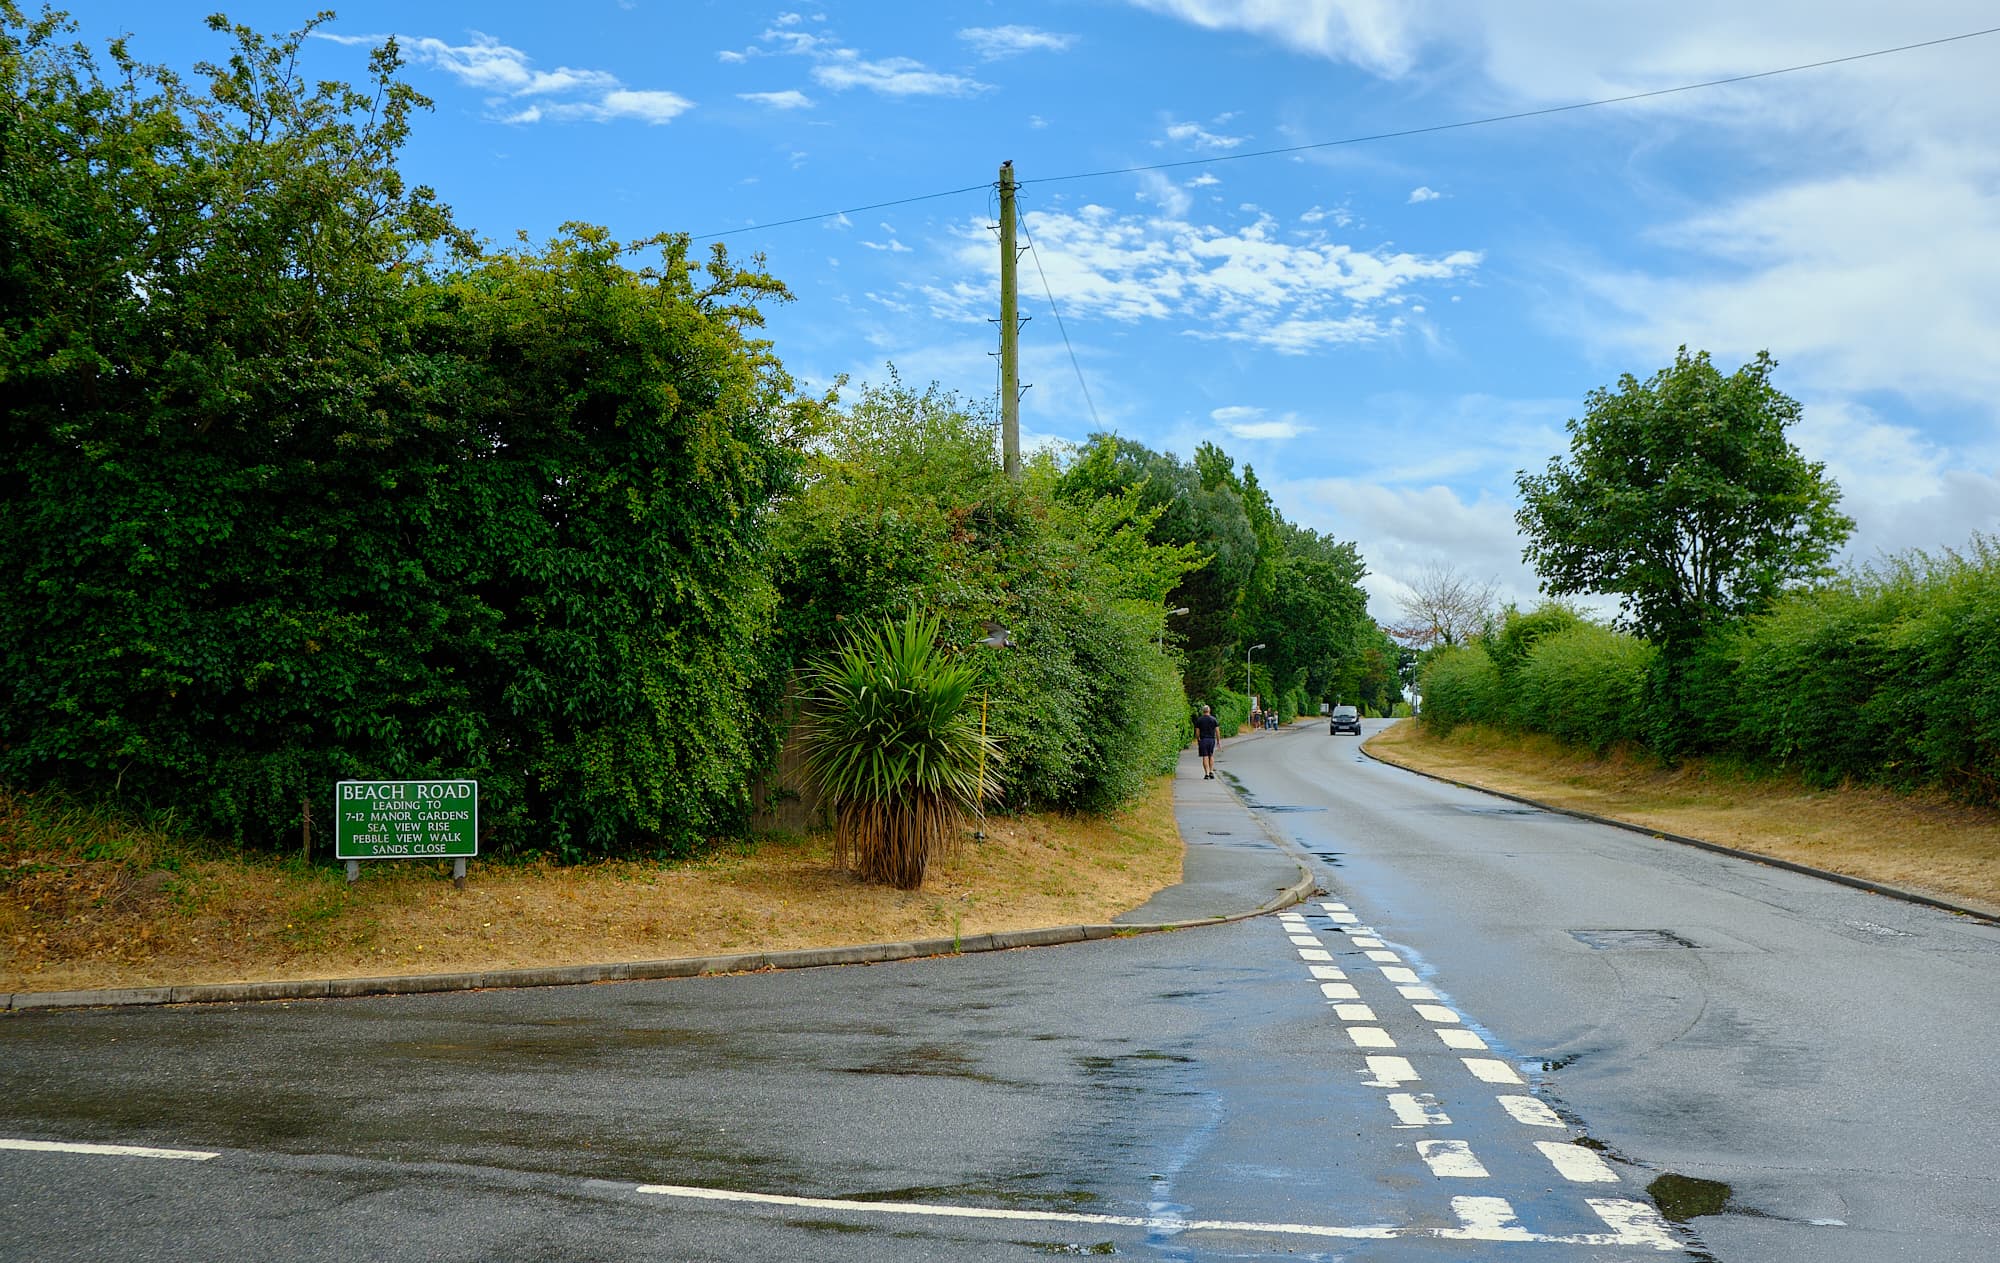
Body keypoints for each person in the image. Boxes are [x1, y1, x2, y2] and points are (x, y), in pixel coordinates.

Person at [1193, 704, 1220, 779]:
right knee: (1211, 755)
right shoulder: (1214, 719)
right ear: (1209, 710)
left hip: (1203, 740)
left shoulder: (1199, 720)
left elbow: (1197, 732)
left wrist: (1198, 739)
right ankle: (1211, 771)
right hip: (1211, 739)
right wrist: (1218, 741)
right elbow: (1217, 731)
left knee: (1205, 756)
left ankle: (1207, 774)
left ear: (1203, 711)